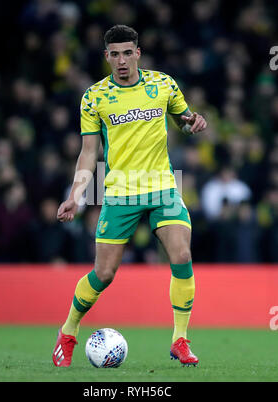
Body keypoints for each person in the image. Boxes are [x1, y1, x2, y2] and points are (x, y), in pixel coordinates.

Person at [52, 25, 207, 367]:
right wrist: (76, 194)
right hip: (120, 193)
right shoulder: (94, 97)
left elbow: (182, 118)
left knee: (181, 254)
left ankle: (180, 339)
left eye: (127, 53)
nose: (121, 61)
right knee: (104, 274)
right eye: (114, 54)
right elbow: (89, 151)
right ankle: (68, 331)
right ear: (106, 57)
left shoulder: (163, 84)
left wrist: (193, 121)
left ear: (138, 53)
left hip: (163, 187)